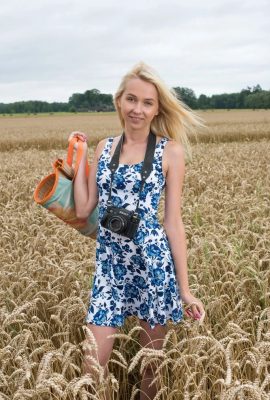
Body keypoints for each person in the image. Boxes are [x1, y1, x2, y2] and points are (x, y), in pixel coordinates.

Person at [68, 61, 205, 400]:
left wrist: (184, 290)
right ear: (119, 101)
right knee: (92, 367)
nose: (137, 109)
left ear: (157, 109)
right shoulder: (104, 147)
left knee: (151, 366)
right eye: (131, 100)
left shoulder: (169, 151)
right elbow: (85, 209)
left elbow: (173, 222)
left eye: (147, 103)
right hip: (110, 267)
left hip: (152, 265)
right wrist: (81, 161)